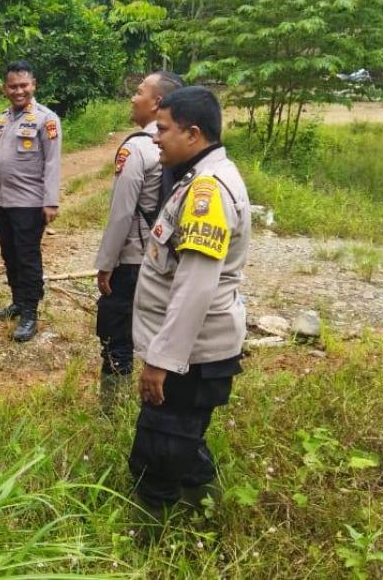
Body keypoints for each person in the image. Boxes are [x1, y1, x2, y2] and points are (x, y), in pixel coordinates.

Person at [129, 85, 251, 516]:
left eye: (162, 129)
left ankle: (152, 542)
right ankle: (206, 516)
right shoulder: (197, 180)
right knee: (184, 443)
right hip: (193, 354)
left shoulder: (207, 194)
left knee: (158, 455)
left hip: (190, 359)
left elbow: (194, 286)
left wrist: (161, 360)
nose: (154, 137)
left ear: (193, 133)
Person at [93, 71, 183, 409]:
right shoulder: (182, 147)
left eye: (140, 91)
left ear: (157, 102)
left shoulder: (137, 147)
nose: (133, 97)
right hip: (165, 258)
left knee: (116, 336)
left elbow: (121, 214)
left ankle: (110, 411)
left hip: (131, 259)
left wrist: (105, 265)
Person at [0, 61, 62, 342]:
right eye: (13, 86)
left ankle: (29, 314)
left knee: (27, 258)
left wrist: (51, 202)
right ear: (5, 88)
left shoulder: (45, 119)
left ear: (33, 85)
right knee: (9, 255)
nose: (18, 91)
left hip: (29, 203)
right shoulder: (1, 120)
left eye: (24, 85)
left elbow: (52, 163)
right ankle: (17, 302)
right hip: (3, 202)